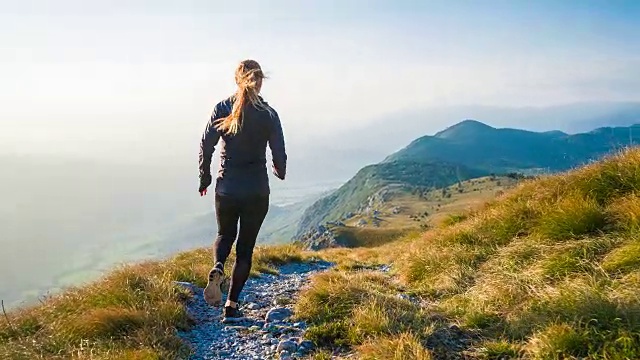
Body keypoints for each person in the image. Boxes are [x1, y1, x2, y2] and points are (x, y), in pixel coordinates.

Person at [198, 59, 287, 323]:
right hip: (256, 190)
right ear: (259, 81)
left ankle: (217, 266)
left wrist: (204, 178)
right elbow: (279, 151)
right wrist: (279, 170)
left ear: (237, 80)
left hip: (227, 188)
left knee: (224, 235)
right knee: (245, 250)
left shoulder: (222, 108)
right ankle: (231, 305)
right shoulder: (269, 114)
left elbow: (206, 143)